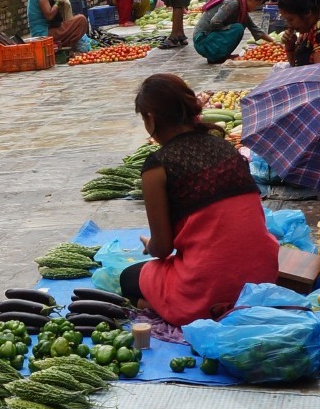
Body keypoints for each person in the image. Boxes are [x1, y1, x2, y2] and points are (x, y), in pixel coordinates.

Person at [118, 73, 279, 325]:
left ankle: (177, 311)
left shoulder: (157, 166)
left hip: (209, 290)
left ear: (150, 117)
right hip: (263, 280)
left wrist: (150, 244)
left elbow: (162, 249)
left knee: (129, 278)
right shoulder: (225, 147)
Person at [192, 0, 265, 65]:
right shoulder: (233, 3)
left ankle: (220, 55)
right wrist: (229, 28)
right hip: (202, 41)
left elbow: (254, 28)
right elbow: (214, 22)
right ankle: (217, 56)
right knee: (238, 28)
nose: (256, 7)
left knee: (240, 25)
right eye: (257, 4)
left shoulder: (241, 7)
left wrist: (274, 42)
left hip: (207, 40)